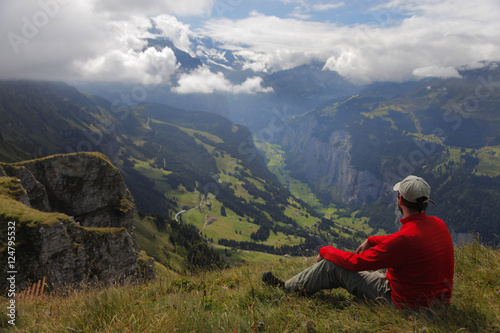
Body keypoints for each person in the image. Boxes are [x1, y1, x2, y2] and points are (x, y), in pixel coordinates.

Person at [262, 175, 455, 308]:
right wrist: (372, 240)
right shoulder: (439, 224)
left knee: (332, 266)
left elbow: (356, 263)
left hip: (405, 304)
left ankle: (285, 288)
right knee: (377, 267)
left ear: (400, 201)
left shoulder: (405, 239)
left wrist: (326, 250)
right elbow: (401, 241)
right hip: (437, 302)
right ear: (425, 203)